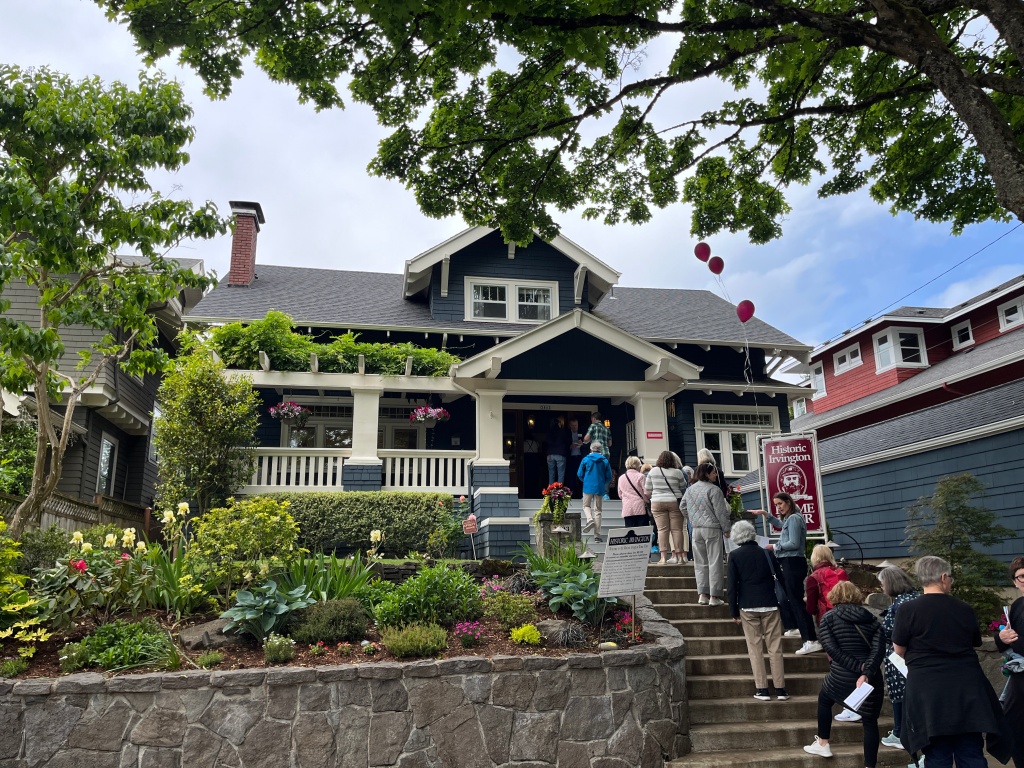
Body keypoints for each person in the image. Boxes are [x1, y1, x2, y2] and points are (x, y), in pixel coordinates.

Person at [892, 555, 1012, 768]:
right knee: (971, 750)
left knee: (937, 752)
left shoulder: (907, 610)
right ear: (943, 577)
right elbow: (974, 641)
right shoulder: (963, 608)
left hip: (928, 689)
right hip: (966, 687)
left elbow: (899, 649)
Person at [803, 581, 885, 768]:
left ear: (834, 596)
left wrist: (856, 667)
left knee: (825, 700)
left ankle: (823, 742)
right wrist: (866, 671)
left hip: (841, 675)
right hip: (870, 678)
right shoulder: (872, 618)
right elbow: (878, 649)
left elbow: (832, 648)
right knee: (870, 721)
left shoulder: (828, 618)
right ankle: (869, 765)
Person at [728, 519, 789, 702]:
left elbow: (732, 586)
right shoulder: (766, 554)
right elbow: (780, 577)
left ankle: (762, 689)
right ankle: (781, 689)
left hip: (747, 606)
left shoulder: (734, 555)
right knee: (775, 648)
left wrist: (733, 611)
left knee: (755, 648)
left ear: (736, 536)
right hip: (770, 603)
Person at [757, 492, 821, 655]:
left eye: (780, 504)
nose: (779, 507)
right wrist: (767, 515)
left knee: (797, 601)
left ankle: (811, 640)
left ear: (788, 502)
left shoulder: (793, 519)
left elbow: (793, 543)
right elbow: (781, 523)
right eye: (776, 505)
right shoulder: (792, 518)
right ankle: (800, 630)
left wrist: (774, 546)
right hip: (792, 562)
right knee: (792, 599)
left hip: (792, 562)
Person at [876, 565, 920, 750]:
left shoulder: (899, 605)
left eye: (882, 584)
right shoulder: (918, 597)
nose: (881, 588)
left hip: (899, 657)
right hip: (919, 656)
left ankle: (899, 732)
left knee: (899, 695)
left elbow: (889, 633)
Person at [680, 462, 731, 604]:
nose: (716, 474)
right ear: (707, 474)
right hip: (712, 528)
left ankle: (702, 594)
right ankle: (714, 596)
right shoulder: (714, 490)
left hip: (696, 529)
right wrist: (726, 528)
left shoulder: (690, 490)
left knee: (700, 562)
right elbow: (720, 512)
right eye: (713, 472)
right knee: (715, 561)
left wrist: (692, 518)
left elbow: (682, 506)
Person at [994, 556, 1024, 768]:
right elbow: (1006, 641)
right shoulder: (1018, 605)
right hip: (1019, 678)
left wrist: (1016, 642)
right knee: (1013, 728)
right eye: (1021, 577)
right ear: (1014, 581)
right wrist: (1001, 638)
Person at [645, 450, 688, 565]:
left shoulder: (653, 471)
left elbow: (647, 489)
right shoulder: (677, 472)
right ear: (673, 460)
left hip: (657, 502)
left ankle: (663, 558)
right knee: (677, 530)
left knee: (662, 530)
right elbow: (683, 486)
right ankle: (680, 557)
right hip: (674, 501)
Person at [577, 441, 613, 544]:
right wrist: (602, 482)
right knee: (598, 511)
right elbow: (609, 476)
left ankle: (589, 519)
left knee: (586, 506)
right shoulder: (604, 460)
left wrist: (585, 480)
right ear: (600, 450)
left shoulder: (586, 459)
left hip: (588, 486)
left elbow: (579, 473)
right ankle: (597, 536)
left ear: (591, 449)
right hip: (600, 487)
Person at [805, 544, 848, 628]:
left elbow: (811, 609)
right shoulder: (841, 572)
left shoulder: (813, 577)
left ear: (814, 558)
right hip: (846, 616)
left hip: (826, 619)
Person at [582, 412, 612, 498]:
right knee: (604, 472)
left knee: (593, 472)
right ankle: (605, 494)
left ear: (594, 419)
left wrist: (586, 440)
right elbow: (610, 443)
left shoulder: (593, 426)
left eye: (592, 419)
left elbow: (586, 438)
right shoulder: (607, 429)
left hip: (595, 453)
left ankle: (592, 493)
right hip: (605, 453)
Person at [618, 455, 651, 531]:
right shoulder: (641, 476)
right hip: (640, 508)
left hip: (627, 508)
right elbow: (646, 492)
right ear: (637, 465)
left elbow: (620, 494)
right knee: (642, 533)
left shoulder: (621, 478)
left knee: (630, 533)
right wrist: (648, 498)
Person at [544, 417, 571, 485]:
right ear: (558, 423)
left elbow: (546, 442)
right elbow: (568, 441)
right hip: (560, 453)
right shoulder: (562, 431)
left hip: (550, 454)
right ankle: (559, 493)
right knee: (560, 474)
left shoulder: (549, 431)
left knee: (551, 474)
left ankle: (550, 493)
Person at [640, 462, 659, 554]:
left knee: (645, 523)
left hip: (645, 503)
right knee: (655, 523)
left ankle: (646, 544)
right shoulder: (654, 477)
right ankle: (654, 545)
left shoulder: (641, 477)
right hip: (655, 501)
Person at [567, 418, 585, 497]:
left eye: (576, 425)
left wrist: (583, 443)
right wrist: (570, 446)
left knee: (581, 475)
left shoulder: (582, 432)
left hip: (580, 457)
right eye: (573, 425)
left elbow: (587, 443)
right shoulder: (567, 434)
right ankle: (572, 494)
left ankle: (582, 494)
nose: (574, 427)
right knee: (572, 476)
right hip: (571, 457)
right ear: (570, 426)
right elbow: (564, 444)